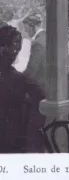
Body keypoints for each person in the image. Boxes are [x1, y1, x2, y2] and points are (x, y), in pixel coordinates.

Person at [0, 25, 27, 153]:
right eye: (14, 46)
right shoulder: (16, 78)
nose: (16, 52)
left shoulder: (16, 77)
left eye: (18, 48)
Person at [22, 13, 46, 152]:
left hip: (40, 91)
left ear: (32, 26)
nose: (26, 32)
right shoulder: (45, 36)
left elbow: (31, 71)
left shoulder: (37, 42)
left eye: (26, 28)